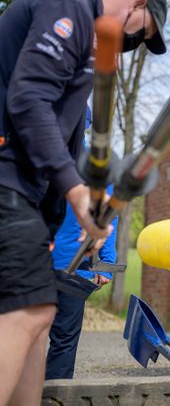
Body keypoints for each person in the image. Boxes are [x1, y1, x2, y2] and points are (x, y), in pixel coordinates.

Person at [0, 0, 167, 404]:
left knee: (40, 318)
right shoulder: (67, 7)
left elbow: (68, 139)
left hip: (30, 195)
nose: (131, 44)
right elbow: (28, 100)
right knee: (29, 311)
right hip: (6, 179)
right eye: (141, 33)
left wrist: (75, 215)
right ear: (137, 4)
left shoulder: (85, 60)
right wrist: (76, 194)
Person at [45, 109, 119, 380]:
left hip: (73, 264)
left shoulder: (96, 168)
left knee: (54, 336)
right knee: (53, 338)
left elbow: (109, 216)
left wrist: (106, 263)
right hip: (40, 260)